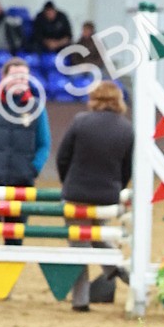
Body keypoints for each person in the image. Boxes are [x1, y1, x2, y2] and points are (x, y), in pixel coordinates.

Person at [56, 80, 133, 312]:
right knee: (98, 236)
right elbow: (127, 168)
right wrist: (116, 187)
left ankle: (81, 300)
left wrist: (67, 183)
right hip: (107, 195)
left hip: (77, 192)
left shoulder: (81, 122)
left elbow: (62, 157)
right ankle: (121, 271)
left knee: (79, 244)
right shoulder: (127, 128)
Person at [0, 57, 51, 299]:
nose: (21, 80)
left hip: (22, 180)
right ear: (4, 78)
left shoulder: (36, 107)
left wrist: (33, 168)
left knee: (15, 233)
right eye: (16, 75)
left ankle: (5, 282)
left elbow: (44, 144)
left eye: (25, 76)